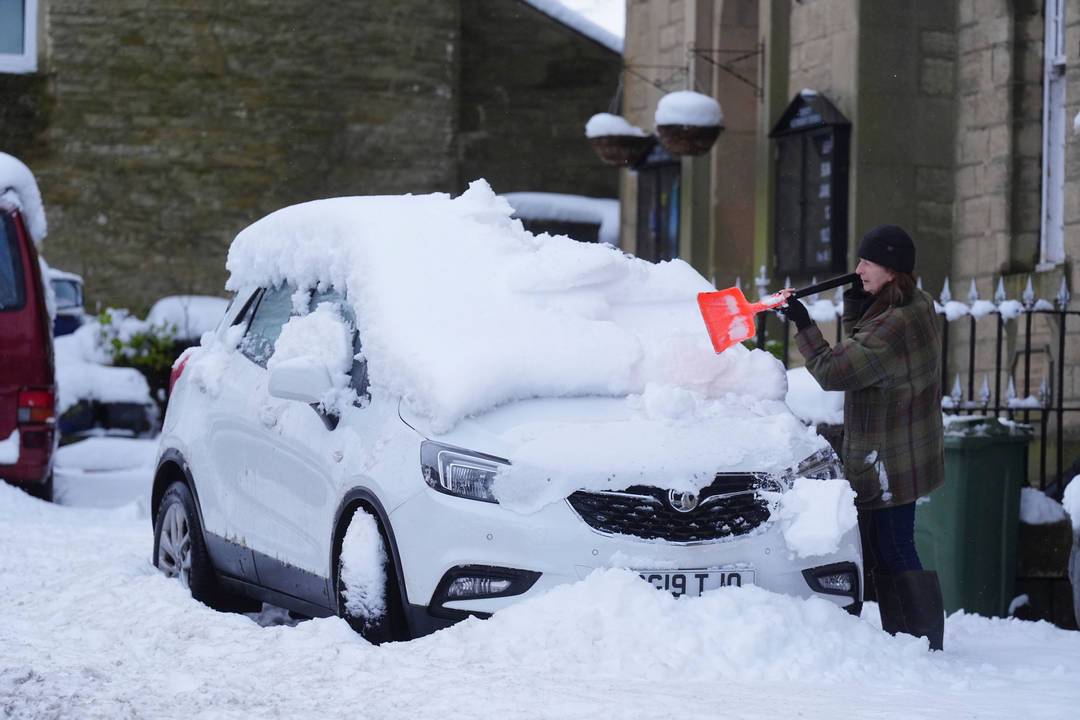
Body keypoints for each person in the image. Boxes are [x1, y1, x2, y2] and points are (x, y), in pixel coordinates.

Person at [780, 224, 946, 651]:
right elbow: (868, 353)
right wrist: (858, 302)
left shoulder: (895, 323)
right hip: (906, 446)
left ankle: (920, 639)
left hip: (890, 454)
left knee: (893, 545)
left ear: (891, 269)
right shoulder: (916, 303)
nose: (857, 269)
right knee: (884, 542)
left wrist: (803, 324)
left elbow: (836, 372)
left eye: (867, 262)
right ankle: (906, 634)